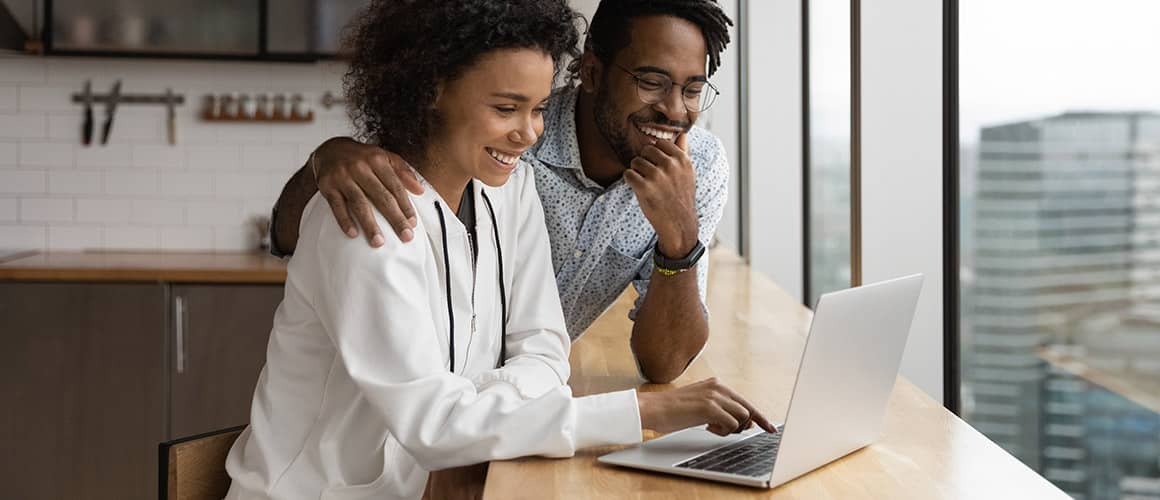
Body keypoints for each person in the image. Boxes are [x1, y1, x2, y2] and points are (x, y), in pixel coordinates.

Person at [225, 1, 771, 499]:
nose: (529, 133)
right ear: (430, 89)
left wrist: (478, 405)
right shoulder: (367, 212)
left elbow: (543, 352)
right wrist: (640, 410)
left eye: (536, 109)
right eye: (508, 108)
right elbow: (436, 426)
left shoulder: (505, 191)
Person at [269, 0, 735, 384]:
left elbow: (663, 365)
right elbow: (290, 237)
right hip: (432, 401)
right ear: (591, 72)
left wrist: (680, 240)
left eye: (693, 90)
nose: (674, 109)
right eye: (651, 83)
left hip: (506, 404)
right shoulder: (499, 147)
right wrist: (324, 159)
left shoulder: (701, 168)